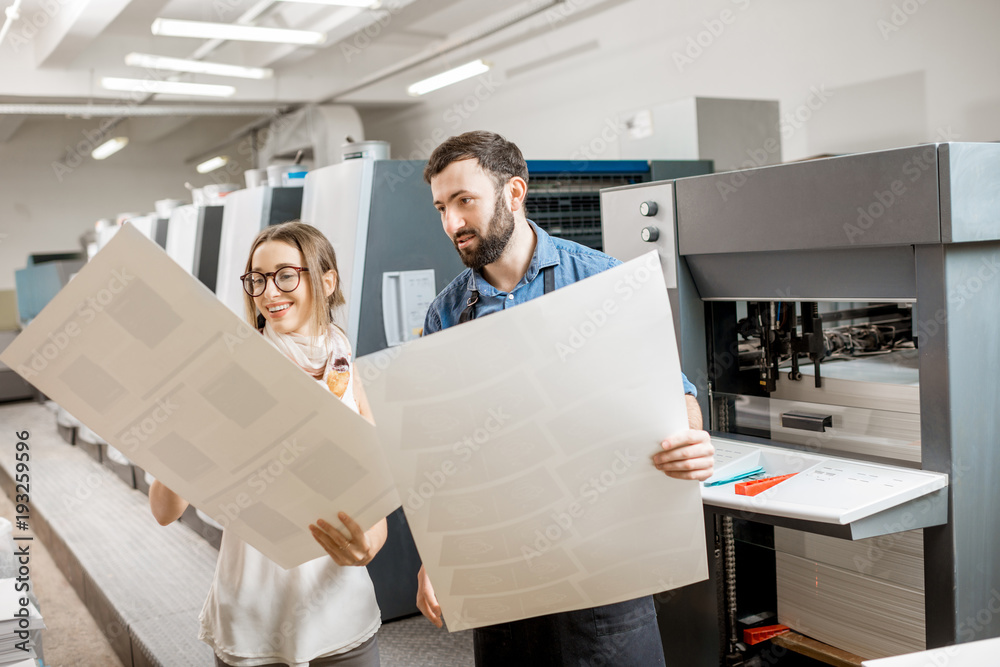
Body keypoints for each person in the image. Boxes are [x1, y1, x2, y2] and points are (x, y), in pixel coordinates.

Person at [414, 131, 715, 665]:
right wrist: (437, 554)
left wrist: (689, 437)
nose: (451, 224)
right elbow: (446, 450)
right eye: (440, 207)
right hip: (503, 568)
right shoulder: (446, 314)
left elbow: (678, 400)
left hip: (603, 561)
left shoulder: (602, 282)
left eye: (465, 201)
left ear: (513, 193)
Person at [149, 221, 388, 667]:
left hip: (340, 605)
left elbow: (375, 487)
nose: (268, 292)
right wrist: (182, 423)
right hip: (255, 614)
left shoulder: (344, 359)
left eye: (284, 274)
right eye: (257, 279)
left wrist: (370, 541)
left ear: (327, 279)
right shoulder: (231, 372)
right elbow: (165, 511)